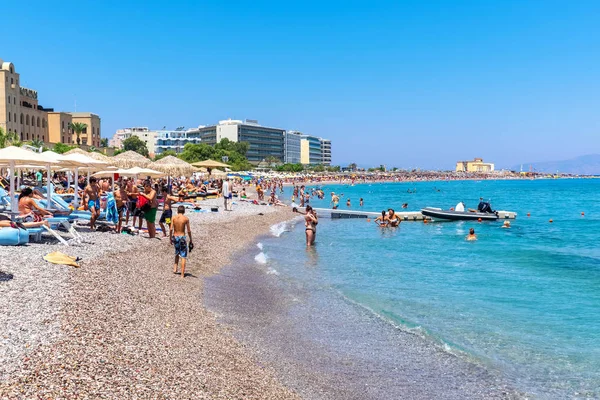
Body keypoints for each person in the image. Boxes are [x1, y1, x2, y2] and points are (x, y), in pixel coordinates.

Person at [170, 205, 193, 278]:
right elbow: (189, 230)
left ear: (177, 211)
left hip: (175, 237)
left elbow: (171, 229)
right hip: (182, 237)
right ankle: (182, 274)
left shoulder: (173, 217)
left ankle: (175, 268)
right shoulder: (186, 219)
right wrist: (191, 239)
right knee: (183, 256)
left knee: (177, 252)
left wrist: (170, 238)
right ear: (184, 211)